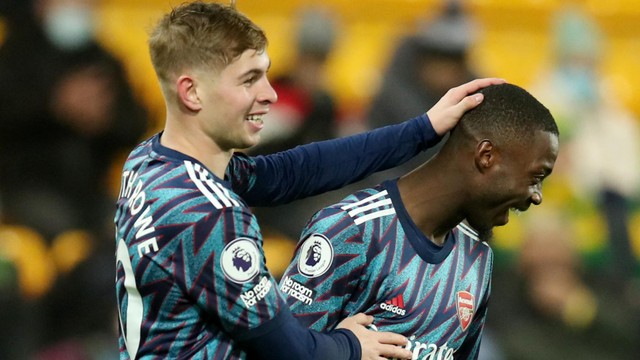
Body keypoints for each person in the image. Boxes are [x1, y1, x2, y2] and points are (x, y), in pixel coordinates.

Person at [114, 1, 505, 359]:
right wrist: (351, 345)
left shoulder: (152, 160)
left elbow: (299, 170)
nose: (268, 94)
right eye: (249, 80)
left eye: (265, 75)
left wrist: (424, 128)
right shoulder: (210, 216)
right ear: (192, 92)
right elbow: (290, 351)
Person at [279, 83, 559, 359]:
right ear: (486, 156)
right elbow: (277, 351)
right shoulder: (351, 231)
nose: (537, 197)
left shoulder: (477, 255)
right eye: (535, 178)